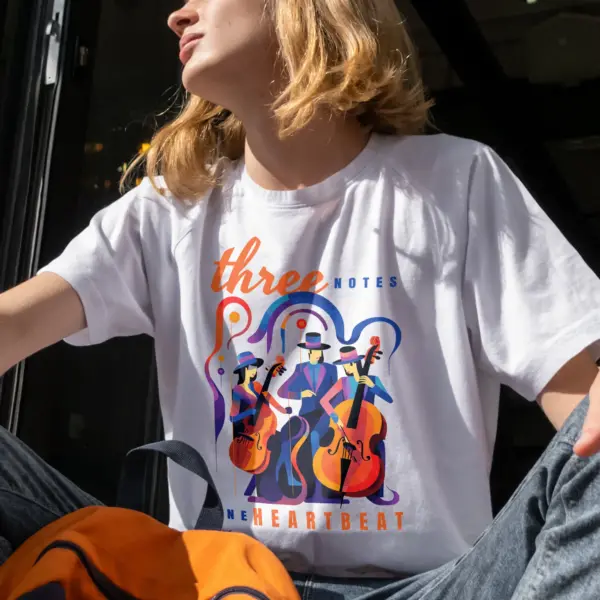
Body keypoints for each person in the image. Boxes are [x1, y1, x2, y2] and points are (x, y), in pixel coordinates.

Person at [1, 0, 600, 598]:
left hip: (422, 589)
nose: (177, 16)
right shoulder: (167, 212)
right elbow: (15, 322)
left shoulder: (454, 181)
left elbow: (585, 414)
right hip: (216, 580)